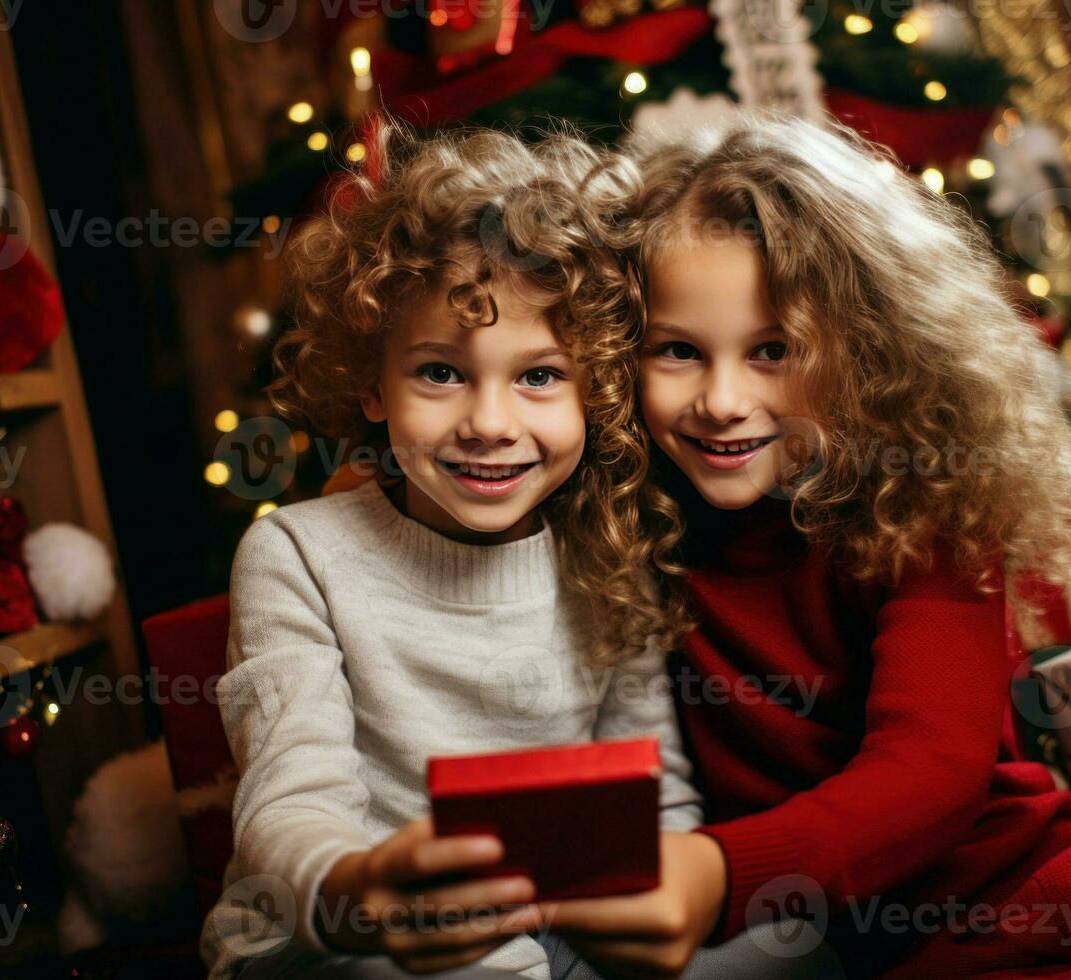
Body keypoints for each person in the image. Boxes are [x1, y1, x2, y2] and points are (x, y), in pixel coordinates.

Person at [536, 113, 1071, 978]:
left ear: (869, 352)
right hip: (880, 954)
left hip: (1053, 878)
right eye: (678, 352)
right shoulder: (627, 529)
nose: (724, 400)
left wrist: (721, 872)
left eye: (774, 351)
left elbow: (932, 772)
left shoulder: (921, 515)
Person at [198, 124, 706, 980]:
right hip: (343, 935)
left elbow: (660, 795)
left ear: (599, 388)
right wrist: (360, 888)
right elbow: (287, 808)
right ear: (370, 379)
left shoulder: (609, 549)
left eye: (540, 376)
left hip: (557, 918)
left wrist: (660, 898)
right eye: (440, 372)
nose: (491, 423)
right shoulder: (296, 554)